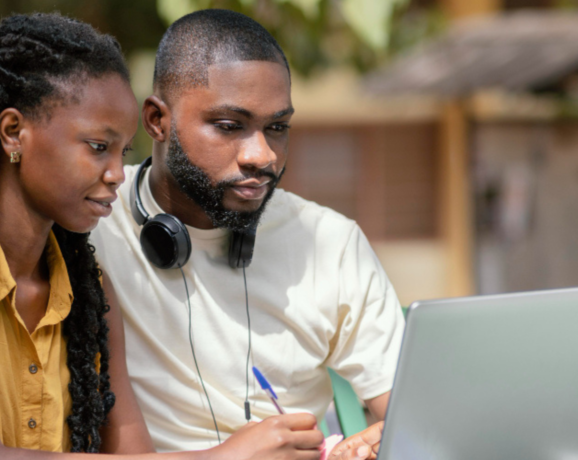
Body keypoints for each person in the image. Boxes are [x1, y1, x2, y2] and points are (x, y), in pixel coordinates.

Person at [0, 13, 323, 460]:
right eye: (97, 147)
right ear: (13, 132)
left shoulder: (88, 290)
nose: (116, 173)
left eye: (122, 151)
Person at [89, 9, 405, 460]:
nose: (263, 156)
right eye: (229, 126)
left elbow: (411, 415)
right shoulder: (90, 227)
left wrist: (383, 439)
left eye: (277, 128)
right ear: (157, 121)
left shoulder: (330, 243)